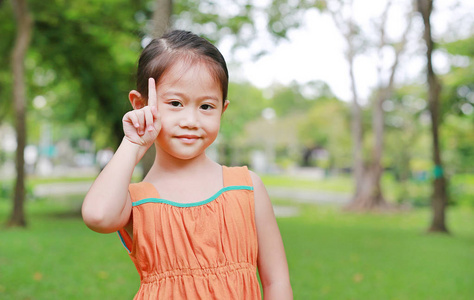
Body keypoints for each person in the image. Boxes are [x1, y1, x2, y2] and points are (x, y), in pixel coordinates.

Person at [82, 30, 292, 299]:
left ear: (222, 110)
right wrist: (133, 142)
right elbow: (98, 216)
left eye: (206, 107)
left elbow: (277, 283)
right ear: (140, 104)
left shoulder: (247, 187)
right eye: (175, 103)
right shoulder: (135, 199)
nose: (191, 120)